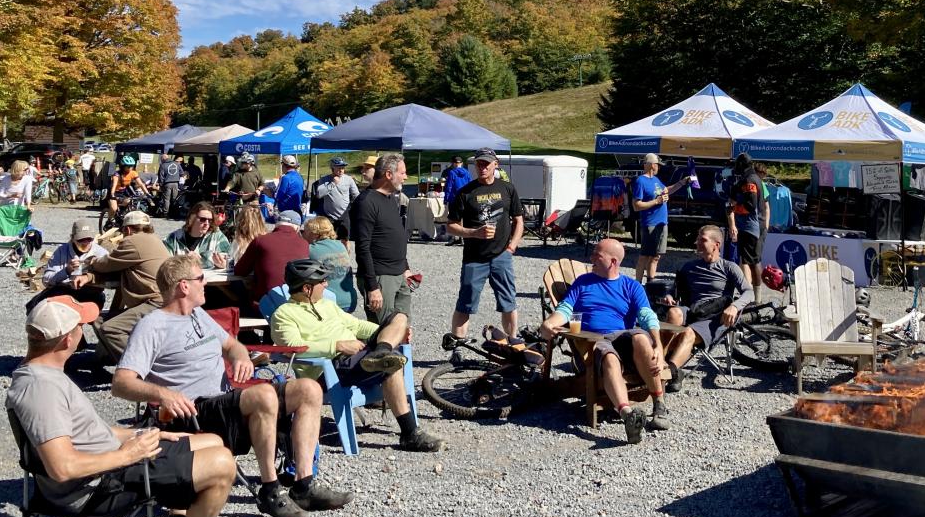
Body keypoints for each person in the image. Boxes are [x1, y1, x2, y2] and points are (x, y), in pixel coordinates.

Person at [7, 296, 242, 517]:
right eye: (81, 325)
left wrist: (138, 435)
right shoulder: (40, 389)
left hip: (109, 465)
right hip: (96, 488)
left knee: (210, 441)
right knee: (221, 464)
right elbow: (62, 468)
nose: (84, 330)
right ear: (67, 340)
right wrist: (130, 454)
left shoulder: (46, 375)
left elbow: (89, 432)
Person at [112, 255, 345, 517]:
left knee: (308, 389)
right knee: (264, 394)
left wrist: (240, 356)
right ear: (183, 286)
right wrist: (163, 394)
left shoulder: (198, 315)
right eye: (201, 278)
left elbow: (232, 345)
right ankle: (270, 488)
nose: (206, 283)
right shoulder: (152, 325)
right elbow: (121, 382)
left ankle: (303, 484)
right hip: (193, 412)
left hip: (224, 403)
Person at [269, 258, 441, 452]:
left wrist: (387, 332)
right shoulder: (284, 314)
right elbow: (292, 347)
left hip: (357, 358)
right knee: (389, 364)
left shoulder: (326, 304)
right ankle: (409, 433)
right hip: (328, 369)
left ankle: (382, 350)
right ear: (307, 289)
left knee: (399, 318)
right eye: (321, 282)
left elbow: (357, 325)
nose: (326, 284)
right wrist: (337, 345)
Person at [539, 238, 668, 442]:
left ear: (613, 261)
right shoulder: (583, 283)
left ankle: (659, 404)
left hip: (625, 337)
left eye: (597, 255)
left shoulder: (631, 286)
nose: (591, 258)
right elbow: (565, 310)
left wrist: (658, 346)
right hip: (595, 340)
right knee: (609, 357)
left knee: (642, 339)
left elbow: (647, 316)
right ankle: (627, 415)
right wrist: (549, 323)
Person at [656, 225, 754, 389]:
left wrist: (734, 307)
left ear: (717, 244)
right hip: (693, 310)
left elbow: (749, 292)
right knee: (673, 313)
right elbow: (675, 290)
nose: (697, 243)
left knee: (688, 332)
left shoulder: (729, 267)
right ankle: (661, 360)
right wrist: (670, 297)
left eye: (703, 240)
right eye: (698, 239)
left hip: (715, 317)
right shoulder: (689, 267)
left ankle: (670, 372)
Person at [444, 148, 523, 345]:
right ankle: (458, 347)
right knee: (465, 304)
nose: (482, 167)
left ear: (496, 164)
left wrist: (512, 246)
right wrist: (473, 233)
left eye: (486, 163)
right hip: (474, 258)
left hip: (501, 256)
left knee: (508, 302)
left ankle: (513, 343)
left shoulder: (508, 189)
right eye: (479, 163)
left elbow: (518, 220)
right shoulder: (466, 192)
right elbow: (451, 226)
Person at [351, 154, 418, 343]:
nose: (406, 177)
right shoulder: (366, 202)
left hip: (399, 275)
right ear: (389, 174)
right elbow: (362, 248)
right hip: (381, 277)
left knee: (403, 329)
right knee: (384, 332)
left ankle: (401, 371)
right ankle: (380, 371)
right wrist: (372, 287)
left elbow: (393, 236)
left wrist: (405, 267)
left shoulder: (390, 198)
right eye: (403, 173)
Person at [88, 211, 169, 363]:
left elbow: (107, 264)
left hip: (156, 302)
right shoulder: (154, 239)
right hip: (162, 298)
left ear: (128, 230)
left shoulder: (132, 241)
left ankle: (139, 368)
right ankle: (110, 357)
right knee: (98, 320)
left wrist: (91, 262)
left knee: (110, 329)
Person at [630, 153, 690, 284]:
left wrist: (682, 182)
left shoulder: (656, 180)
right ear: (652, 165)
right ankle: (637, 285)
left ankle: (651, 284)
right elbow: (636, 205)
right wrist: (657, 201)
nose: (659, 167)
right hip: (650, 224)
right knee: (645, 256)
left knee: (656, 256)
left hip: (662, 223)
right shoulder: (641, 181)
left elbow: (666, 190)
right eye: (658, 165)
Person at [233, 210, 310, 312]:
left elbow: (240, 271)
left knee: (235, 288)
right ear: (297, 228)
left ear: (276, 225)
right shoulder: (305, 244)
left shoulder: (260, 241)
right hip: (295, 306)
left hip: (264, 306)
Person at [31, 218, 109, 311]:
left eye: (89, 239)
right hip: (64, 292)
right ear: (73, 238)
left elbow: (111, 280)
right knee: (40, 304)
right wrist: (66, 271)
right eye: (81, 239)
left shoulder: (101, 253)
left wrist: (90, 277)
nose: (86, 243)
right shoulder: (62, 251)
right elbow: (46, 280)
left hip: (91, 294)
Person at [726, 152, 769, 287]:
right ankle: (754, 295)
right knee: (751, 260)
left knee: (751, 261)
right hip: (757, 224)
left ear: (742, 165)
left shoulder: (749, 180)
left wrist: (734, 209)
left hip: (751, 225)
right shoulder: (755, 178)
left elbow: (750, 205)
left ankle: (755, 296)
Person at [302, 216, 358, 313]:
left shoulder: (311, 249)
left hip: (330, 303)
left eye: (305, 232)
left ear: (314, 234)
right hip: (350, 300)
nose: (303, 235)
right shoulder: (340, 245)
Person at [163, 201, 232, 270]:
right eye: (203, 219)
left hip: (210, 280)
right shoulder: (174, 238)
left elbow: (230, 260)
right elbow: (163, 264)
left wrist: (224, 264)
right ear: (191, 219)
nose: (207, 223)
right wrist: (185, 261)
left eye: (210, 220)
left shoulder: (217, 237)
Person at [310, 157, 360, 244]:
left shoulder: (349, 179)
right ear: (332, 168)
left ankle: (346, 257)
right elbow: (319, 194)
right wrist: (332, 183)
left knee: (345, 240)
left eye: (343, 168)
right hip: (329, 216)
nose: (341, 170)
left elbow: (356, 195)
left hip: (344, 214)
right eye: (339, 168)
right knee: (328, 239)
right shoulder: (324, 179)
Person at [107, 155, 150, 221]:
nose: (131, 168)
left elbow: (141, 184)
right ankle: (109, 220)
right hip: (114, 192)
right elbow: (114, 185)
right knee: (114, 208)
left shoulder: (133, 173)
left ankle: (122, 214)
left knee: (129, 201)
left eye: (132, 166)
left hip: (123, 192)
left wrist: (147, 193)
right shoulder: (117, 174)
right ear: (123, 166)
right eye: (129, 166)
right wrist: (112, 194)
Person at [157, 152, 186, 219]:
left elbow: (161, 177)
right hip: (176, 183)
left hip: (167, 184)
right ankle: (174, 213)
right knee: (175, 199)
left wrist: (161, 185)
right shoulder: (176, 164)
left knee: (167, 199)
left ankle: (165, 213)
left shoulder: (163, 165)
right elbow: (182, 173)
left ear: (163, 159)